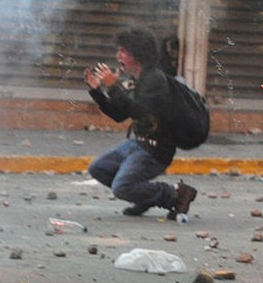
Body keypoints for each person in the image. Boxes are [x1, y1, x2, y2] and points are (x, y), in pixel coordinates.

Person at [84, 27, 197, 219]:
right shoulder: (136, 79)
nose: (118, 55)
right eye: (118, 50)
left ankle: (175, 194)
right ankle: (145, 197)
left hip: (155, 150)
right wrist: (97, 91)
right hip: (137, 144)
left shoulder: (155, 80)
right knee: (99, 169)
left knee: (122, 187)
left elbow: (139, 110)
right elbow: (120, 114)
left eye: (123, 51)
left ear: (138, 54)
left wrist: (113, 86)